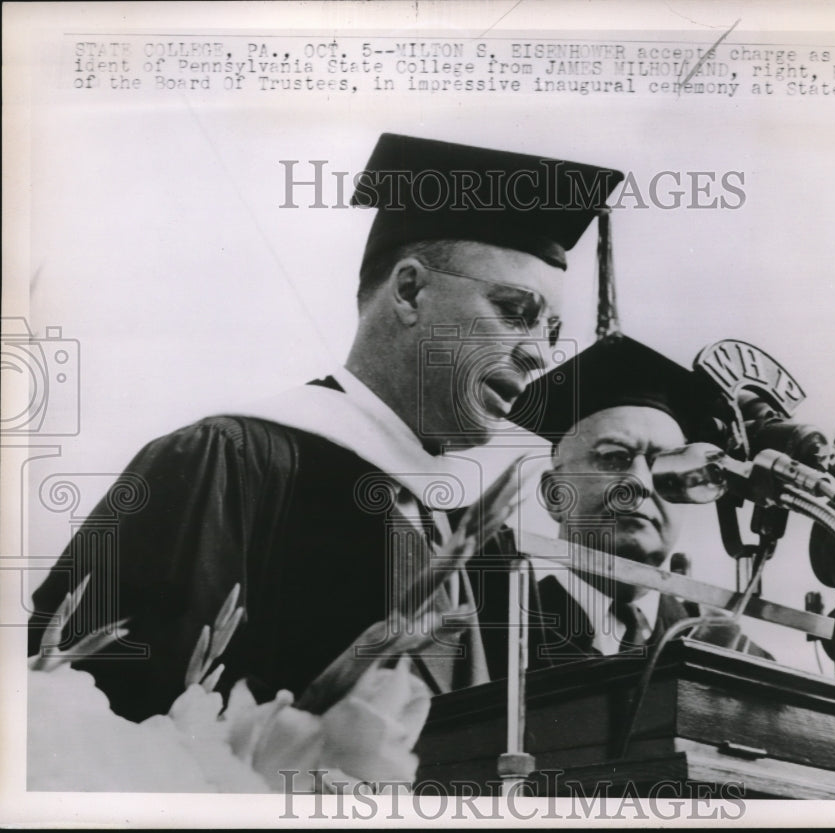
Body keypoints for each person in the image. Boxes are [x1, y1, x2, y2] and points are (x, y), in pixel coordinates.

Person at [27, 133, 624, 721]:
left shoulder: (476, 537)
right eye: (516, 312)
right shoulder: (233, 462)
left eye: (549, 330)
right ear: (410, 291)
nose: (540, 354)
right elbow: (109, 717)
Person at [473, 333, 772, 676]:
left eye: (667, 465)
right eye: (615, 458)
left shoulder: (730, 656)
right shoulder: (492, 635)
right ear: (555, 493)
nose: (642, 484)